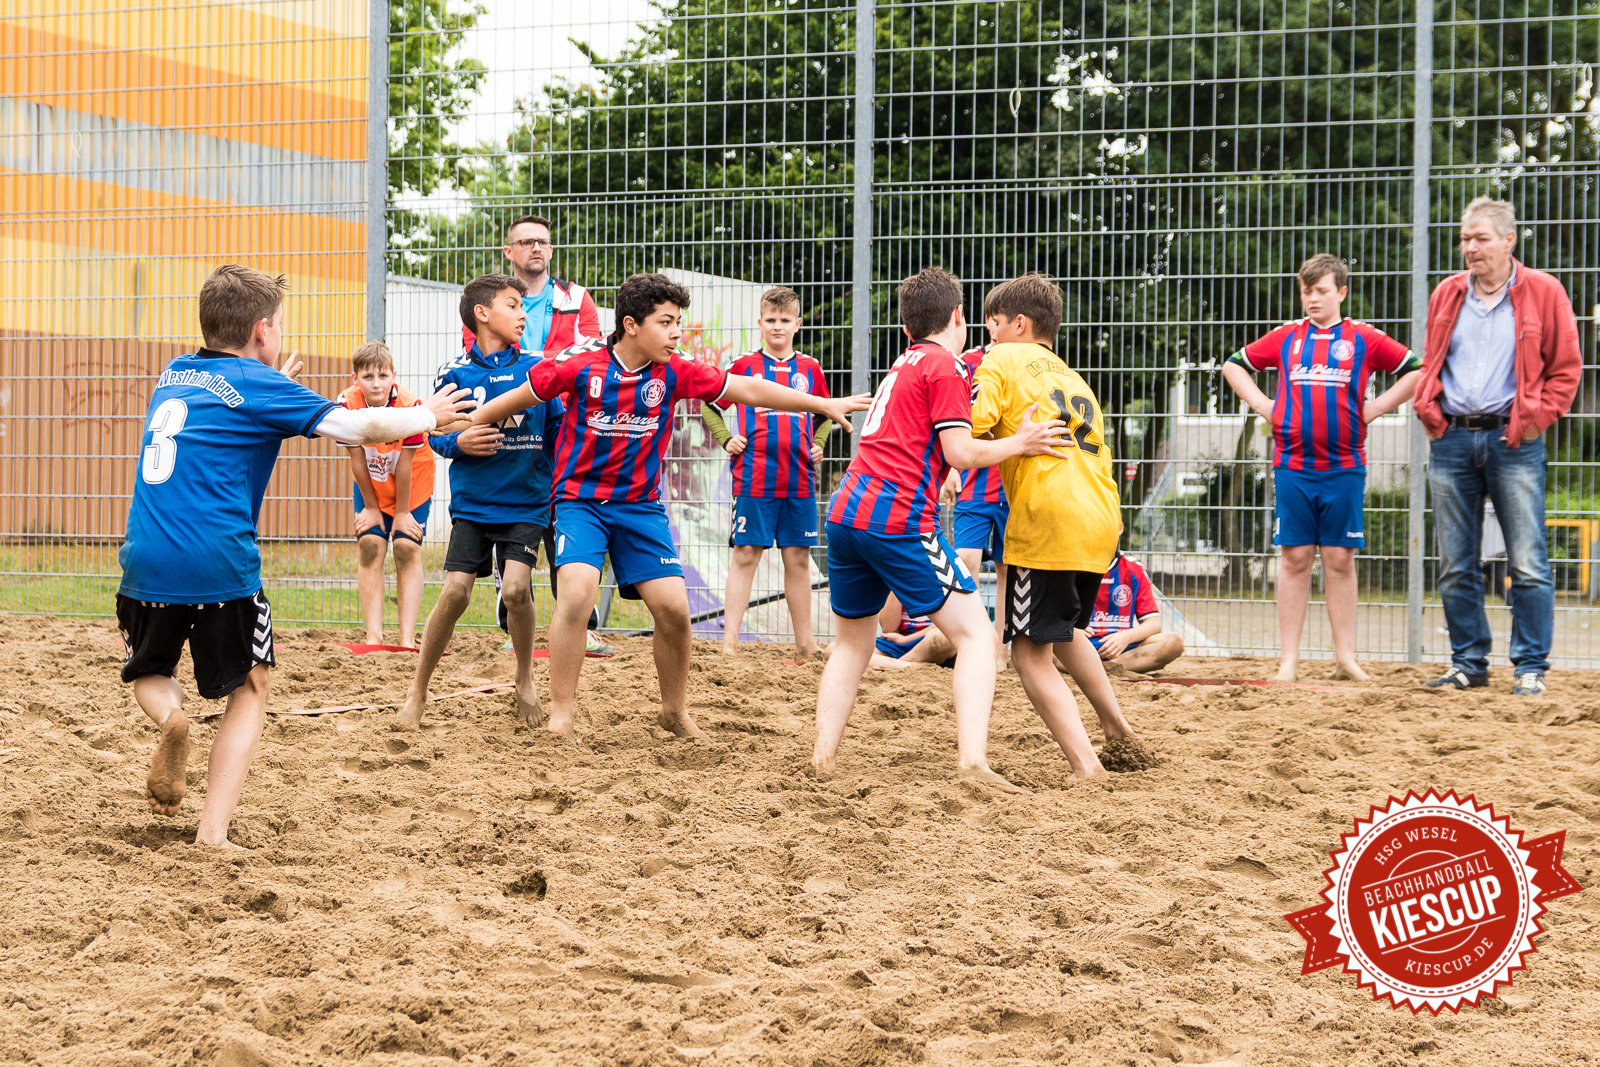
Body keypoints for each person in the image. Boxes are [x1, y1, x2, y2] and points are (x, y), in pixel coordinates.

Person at [118, 265, 470, 847]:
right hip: (219, 564)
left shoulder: (175, 373)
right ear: (262, 331)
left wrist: (270, 385)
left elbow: (232, 414)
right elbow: (363, 425)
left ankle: (172, 720)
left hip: (144, 558)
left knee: (151, 672)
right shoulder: (260, 388)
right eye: (279, 325)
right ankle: (212, 832)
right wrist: (428, 415)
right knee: (251, 687)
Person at [469, 273, 869, 740]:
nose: (678, 332)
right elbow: (513, 399)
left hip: (640, 508)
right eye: (668, 322)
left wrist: (822, 403)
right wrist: (458, 426)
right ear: (632, 325)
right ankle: (562, 713)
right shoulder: (579, 365)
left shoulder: (676, 370)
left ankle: (674, 711)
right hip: (581, 503)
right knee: (576, 594)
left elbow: (752, 391)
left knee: (675, 611)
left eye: (679, 322)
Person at [811, 267, 1070, 792]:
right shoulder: (947, 365)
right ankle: (973, 760)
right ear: (958, 316)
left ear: (907, 327)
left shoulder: (902, 364)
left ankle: (822, 759)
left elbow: (926, 447)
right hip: (897, 518)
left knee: (851, 643)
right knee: (976, 636)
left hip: (845, 514)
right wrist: (1020, 443)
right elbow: (961, 451)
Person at [969, 273, 1143, 781]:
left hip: (1048, 518)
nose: (989, 335)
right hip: (1098, 517)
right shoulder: (1073, 377)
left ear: (1018, 324)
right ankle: (1117, 728)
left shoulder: (998, 359)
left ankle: (1087, 765)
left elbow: (970, 427)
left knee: (1027, 651)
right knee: (1065, 631)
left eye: (993, 325)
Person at [1221, 253, 1422, 683]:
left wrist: (1377, 407)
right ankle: (1288, 661)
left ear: (1341, 293)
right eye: (1306, 291)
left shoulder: (1364, 338)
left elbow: (1416, 371)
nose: (1313, 298)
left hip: (1345, 466)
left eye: (1322, 291)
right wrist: (1263, 404)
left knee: (1339, 558)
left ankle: (1345, 658)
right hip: (1292, 465)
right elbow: (1233, 366)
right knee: (1294, 558)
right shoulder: (1286, 338)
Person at [1413, 197, 1582, 696]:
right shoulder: (1447, 294)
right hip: (1453, 438)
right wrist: (1430, 412)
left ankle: (1529, 667)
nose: (1470, 248)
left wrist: (1536, 422)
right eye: (1465, 238)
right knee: (1455, 563)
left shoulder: (1544, 292)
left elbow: (1566, 369)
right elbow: (1432, 361)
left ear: (1509, 240)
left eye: (1481, 238)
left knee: (1527, 560)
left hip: (1515, 439)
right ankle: (1468, 663)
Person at [399, 274, 556, 730]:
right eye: (513, 305)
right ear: (482, 314)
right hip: (473, 504)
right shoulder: (454, 373)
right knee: (455, 592)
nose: (523, 313)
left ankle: (525, 679)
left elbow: (559, 432)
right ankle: (418, 689)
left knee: (515, 590)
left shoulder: (538, 368)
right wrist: (459, 444)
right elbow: (437, 437)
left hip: (527, 503)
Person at [465, 212, 612, 656]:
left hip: (567, 422)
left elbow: (588, 353)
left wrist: (535, 369)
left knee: (569, 518)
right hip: (513, 422)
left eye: (542, 241)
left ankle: (582, 624)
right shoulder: (489, 299)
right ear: (508, 251)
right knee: (514, 514)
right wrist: (545, 367)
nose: (535, 248)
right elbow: (478, 356)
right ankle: (513, 621)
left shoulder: (576, 298)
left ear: (551, 250)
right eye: (525, 241)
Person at [702, 286, 833, 657]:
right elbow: (710, 405)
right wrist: (726, 438)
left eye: (785, 320)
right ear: (760, 323)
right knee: (746, 554)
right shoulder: (744, 366)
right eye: (771, 320)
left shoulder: (810, 368)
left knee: (798, 558)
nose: (778, 327)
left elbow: (824, 414)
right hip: (754, 477)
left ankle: (805, 644)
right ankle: (729, 643)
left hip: (799, 481)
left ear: (798, 324)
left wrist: (818, 443)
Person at [340, 341, 435, 648]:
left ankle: (407, 640)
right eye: (368, 377)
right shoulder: (346, 405)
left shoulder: (410, 405)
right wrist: (370, 507)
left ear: (394, 375)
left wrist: (403, 513)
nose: (376, 384)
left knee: (406, 548)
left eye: (383, 376)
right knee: (370, 544)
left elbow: (405, 463)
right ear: (355, 378)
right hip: (373, 482)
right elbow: (356, 459)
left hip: (412, 481)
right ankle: (373, 637)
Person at [946, 341, 1011, 671]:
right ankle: (966, 642)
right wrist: (952, 468)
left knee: (1007, 571)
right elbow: (954, 422)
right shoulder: (968, 362)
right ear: (989, 322)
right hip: (975, 486)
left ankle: (1000, 651)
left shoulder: (1025, 362)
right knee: (965, 560)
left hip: (1013, 489)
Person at [1083, 551, 1184, 674]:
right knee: (1055, 646)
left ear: (1120, 530)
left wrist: (1126, 637)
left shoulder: (1134, 568)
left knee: (1174, 643)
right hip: (1079, 648)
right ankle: (1107, 670)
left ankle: (1102, 669)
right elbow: (1055, 618)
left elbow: (1153, 624)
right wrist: (1072, 628)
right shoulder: (1069, 565)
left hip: (1124, 651)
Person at [868, 593, 956, 670]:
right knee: (861, 652)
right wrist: (896, 582)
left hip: (927, 639)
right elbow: (889, 629)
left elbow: (951, 623)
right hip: (898, 642)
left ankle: (896, 665)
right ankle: (912, 666)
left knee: (942, 637)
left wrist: (906, 640)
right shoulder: (901, 580)